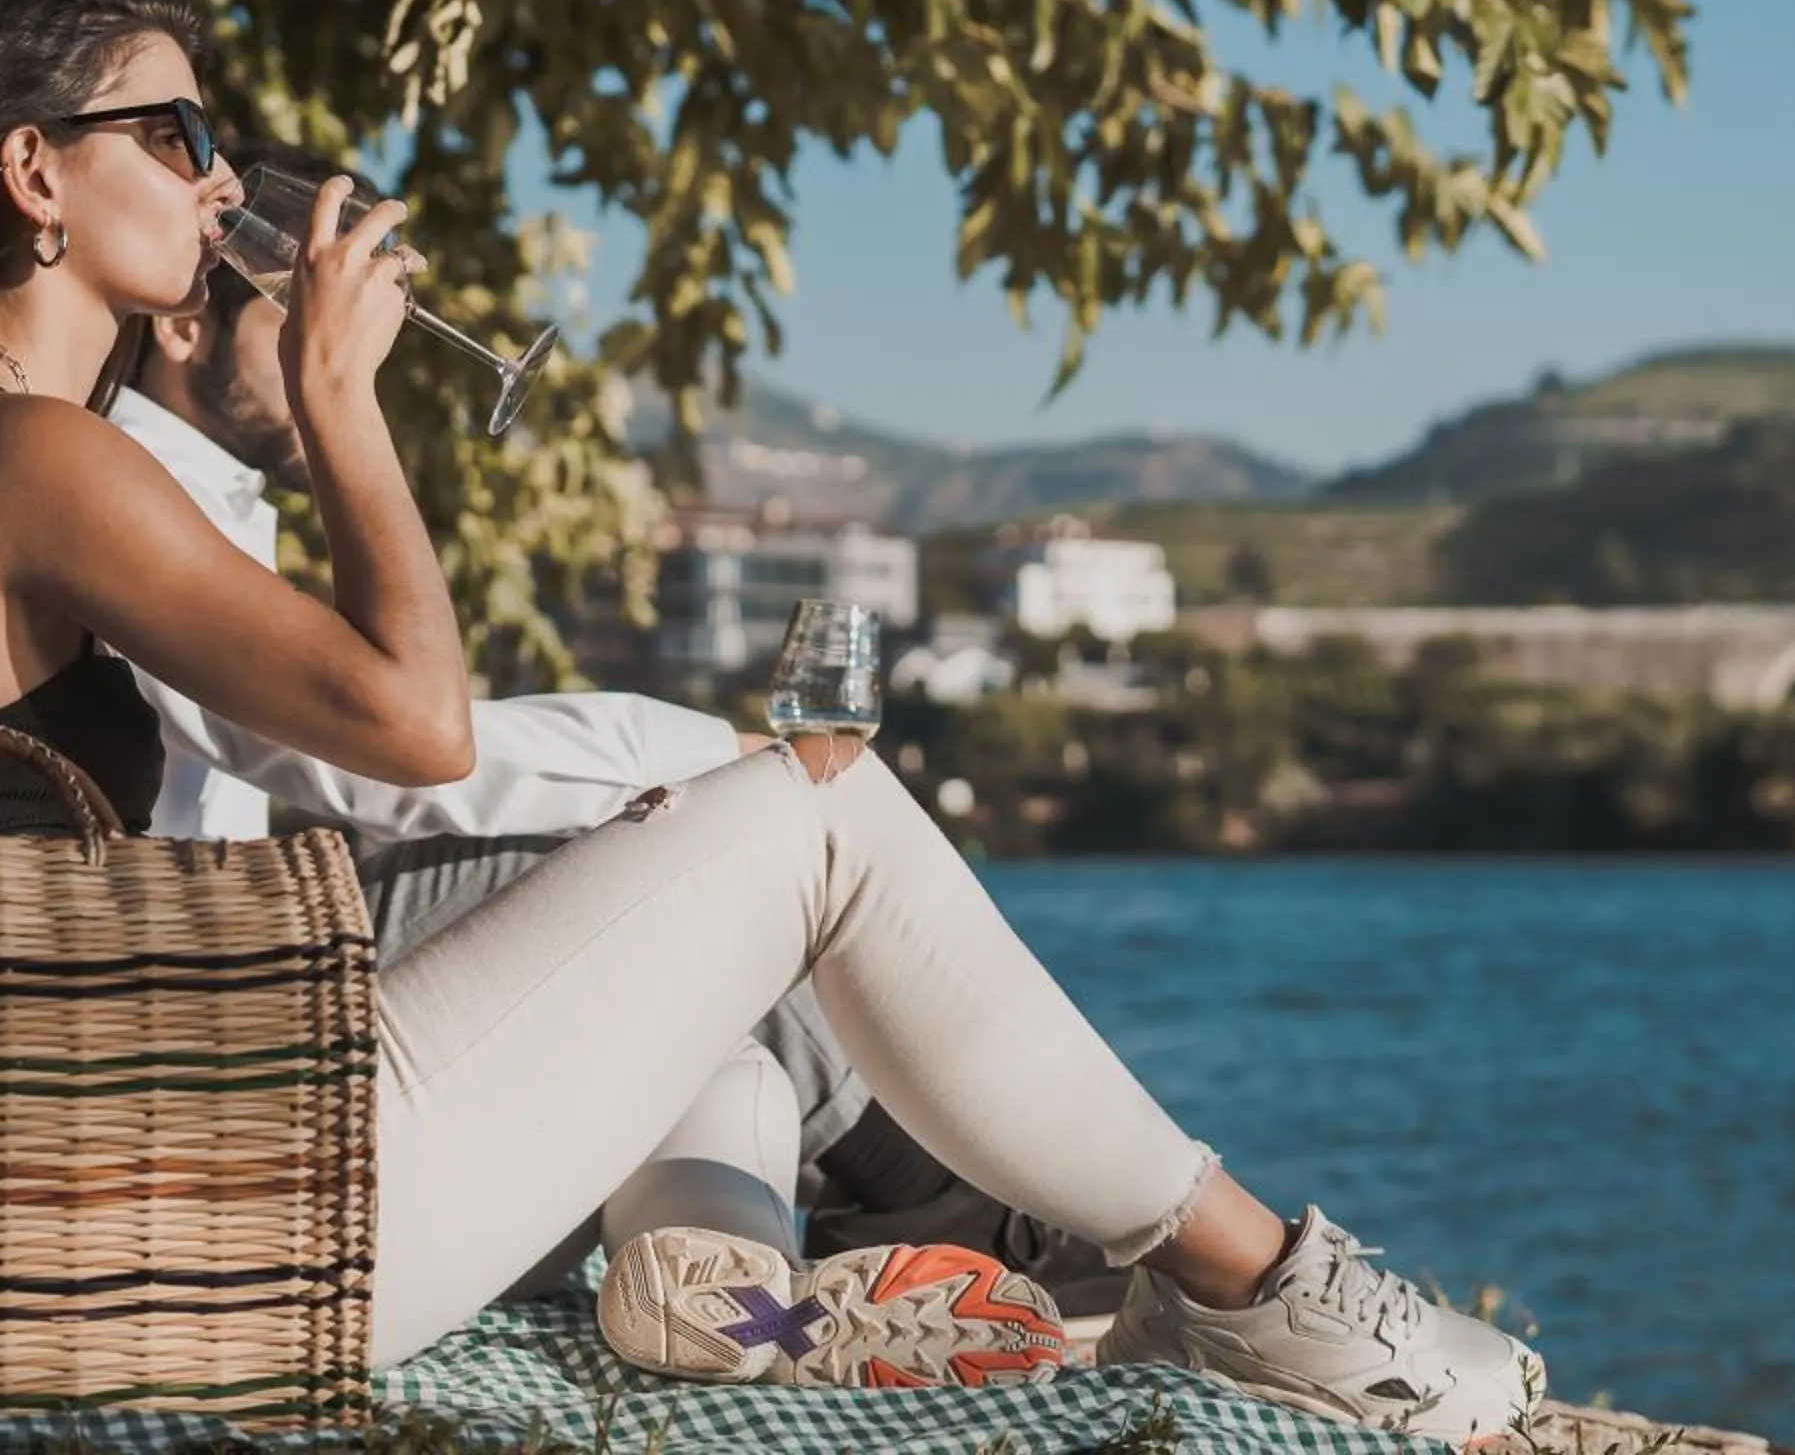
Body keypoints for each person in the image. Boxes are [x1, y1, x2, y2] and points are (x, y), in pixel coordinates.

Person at [0, 0, 1548, 1445]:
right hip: (192, 1253)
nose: (219, 181)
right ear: (34, 175)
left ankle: (771, 1277)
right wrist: (350, 410)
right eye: (179, 128)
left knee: (713, 912)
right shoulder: (30, 457)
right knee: (814, 807)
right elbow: (420, 728)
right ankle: (1270, 1291)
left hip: (76, 1222)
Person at [109, 138, 1129, 1323]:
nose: (348, 349)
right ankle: (953, 1209)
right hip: (221, 1030)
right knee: (690, 848)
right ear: (184, 323)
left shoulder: (197, 490)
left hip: (250, 977)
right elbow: (391, 767)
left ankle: (785, 1284)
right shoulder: (130, 484)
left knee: (717, 1021)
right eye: (304, 314)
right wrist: (708, 760)